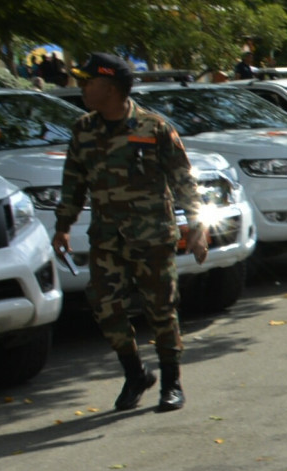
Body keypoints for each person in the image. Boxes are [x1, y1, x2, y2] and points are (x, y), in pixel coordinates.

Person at [52, 52, 204, 413]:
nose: (81, 88)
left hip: (152, 236)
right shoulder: (83, 129)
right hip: (107, 238)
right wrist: (62, 227)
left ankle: (171, 382)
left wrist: (197, 226)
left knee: (161, 309)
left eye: (88, 82)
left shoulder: (154, 128)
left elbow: (183, 179)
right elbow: (73, 183)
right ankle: (135, 373)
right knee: (105, 307)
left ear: (111, 87)